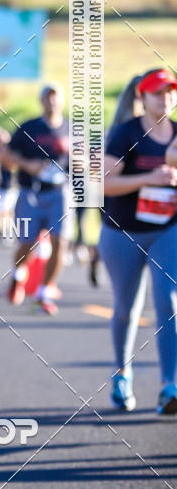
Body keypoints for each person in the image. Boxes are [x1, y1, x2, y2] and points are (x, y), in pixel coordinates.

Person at [99, 68, 177, 415]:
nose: (166, 98)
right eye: (159, 92)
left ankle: (169, 387)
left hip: (167, 229)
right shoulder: (125, 133)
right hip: (123, 231)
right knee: (126, 309)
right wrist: (152, 178)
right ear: (142, 97)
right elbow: (104, 184)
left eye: (171, 91)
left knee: (168, 304)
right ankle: (122, 373)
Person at [5, 82, 70, 315]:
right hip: (30, 192)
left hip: (59, 192)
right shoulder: (29, 127)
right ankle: (17, 275)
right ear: (41, 101)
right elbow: (7, 156)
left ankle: (44, 291)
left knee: (60, 242)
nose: (52, 101)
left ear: (62, 100)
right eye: (48, 97)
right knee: (27, 243)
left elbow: (87, 161)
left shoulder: (71, 129)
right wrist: (27, 165)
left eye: (56, 97)